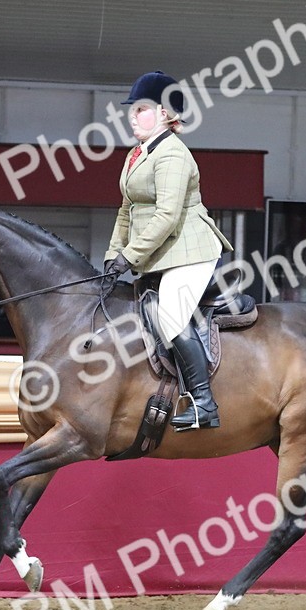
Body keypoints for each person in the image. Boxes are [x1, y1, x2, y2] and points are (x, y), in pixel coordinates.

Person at [101, 70, 233, 431]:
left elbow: (166, 216)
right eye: (132, 109)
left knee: (171, 317)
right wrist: (112, 257)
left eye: (141, 109)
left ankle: (204, 404)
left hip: (189, 251)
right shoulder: (136, 155)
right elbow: (126, 211)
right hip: (161, 254)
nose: (131, 115)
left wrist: (130, 257)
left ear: (165, 113)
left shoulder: (173, 154)